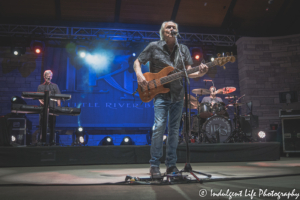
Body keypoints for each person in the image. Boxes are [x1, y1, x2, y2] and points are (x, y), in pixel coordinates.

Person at [133, 21, 208, 178]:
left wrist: (200, 72)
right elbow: (137, 62)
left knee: (174, 130)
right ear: (163, 31)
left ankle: (171, 165)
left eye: (174, 27)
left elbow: (189, 72)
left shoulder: (183, 49)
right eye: (168, 27)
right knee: (159, 126)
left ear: (177, 31)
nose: (171, 29)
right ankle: (154, 165)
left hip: (178, 94)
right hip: (160, 94)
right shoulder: (154, 46)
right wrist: (140, 75)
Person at [37, 70, 61, 145]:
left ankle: (52, 141)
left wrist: (59, 106)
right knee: (42, 125)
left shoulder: (55, 86)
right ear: (44, 77)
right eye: (47, 76)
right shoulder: (40, 86)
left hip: (52, 109)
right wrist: (43, 103)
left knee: (52, 125)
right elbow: (38, 97)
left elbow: (59, 97)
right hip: (43, 110)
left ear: (51, 77)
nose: (49, 77)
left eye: (50, 76)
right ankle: (41, 140)